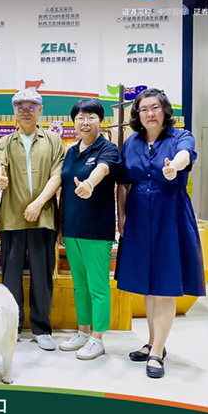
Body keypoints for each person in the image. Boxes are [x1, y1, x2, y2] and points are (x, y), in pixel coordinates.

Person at [116, 88, 205, 378]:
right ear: (137, 115)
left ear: (165, 111)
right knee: (148, 283)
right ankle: (154, 341)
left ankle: (156, 352)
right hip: (139, 215)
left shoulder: (180, 136)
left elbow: (185, 156)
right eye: (143, 109)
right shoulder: (132, 142)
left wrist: (173, 168)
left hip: (170, 213)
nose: (150, 113)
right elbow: (124, 183)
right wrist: (121, 216)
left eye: (155, 107)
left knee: (164, 283)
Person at [0, 88, 64, 351]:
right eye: (20, 106)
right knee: (10, 276)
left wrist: (39, 203)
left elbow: (57, 175)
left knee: (42, 275)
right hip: (12, 216)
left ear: (40, 110)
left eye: (31, 106)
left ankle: (41, 329)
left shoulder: (53, 140)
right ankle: (11, 328)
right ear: (14, 111)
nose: (25, 111)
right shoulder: (4, 142)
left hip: (43, 216)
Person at [58, 99, 121, 360]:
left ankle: (98, 337)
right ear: (74, 122)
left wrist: (89, 184)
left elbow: (103, 169)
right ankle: (83, 332)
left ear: (100, 121)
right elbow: (64, 189)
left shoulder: (108, 148)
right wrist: (61, 225)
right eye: (80, 117)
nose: (85, 122)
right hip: (72, 229)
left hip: (96, 230)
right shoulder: (71, 151)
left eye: (91, 117)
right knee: (79, 287)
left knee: (98, 287)